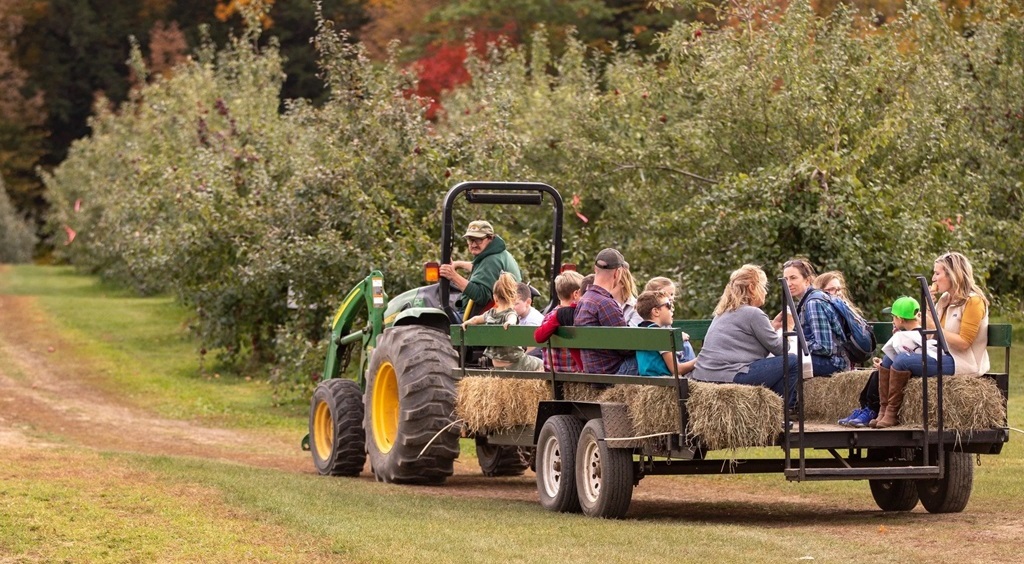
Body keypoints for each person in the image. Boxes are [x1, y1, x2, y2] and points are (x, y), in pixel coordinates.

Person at [691, 265, 800, 408]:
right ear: (751, 287)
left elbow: (745, 338)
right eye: (763, 286)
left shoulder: (722, 312)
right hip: (730, 375)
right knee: (793, 361)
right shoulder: (753, 313)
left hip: (703, 376)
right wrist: (788, 328)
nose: (765, 292)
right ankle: (776, 411)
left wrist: (773, 326)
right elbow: (781, 350)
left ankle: (765, 409)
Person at [839, 296, 930, 427]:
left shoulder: (908, 337)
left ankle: (872, 410)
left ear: (900, 319)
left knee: (877, 374)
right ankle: (873, 409)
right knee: (878, 371)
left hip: (907, 371)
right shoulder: (923, 333)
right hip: (909, 368)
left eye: (893, 317)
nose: (892, 320)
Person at [772, 259, 849, 377]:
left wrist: (794, 345)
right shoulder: (805, 302)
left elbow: (824, 347)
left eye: (793, 278)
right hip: (824, 359)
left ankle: (792, 396)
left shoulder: (813, 302)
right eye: (786, 279)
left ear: (807, 280)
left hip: (833, 363)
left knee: (784, 364)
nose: (788, 283)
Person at [574, 248, 638, 375]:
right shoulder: (606, 303)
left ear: (595, 269)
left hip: (592, 371)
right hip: (612, 373)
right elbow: (626, 348)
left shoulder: (584, 300)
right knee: (652, 356)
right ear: (617, 273)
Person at [461, 273, 543, 372]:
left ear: (495, 297)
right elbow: (511, 318)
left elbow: (476, 319)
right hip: (514, 363)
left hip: (496, 363)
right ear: (513, 296)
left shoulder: (490, 313)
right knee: (541, 364)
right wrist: (510, 323)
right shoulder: (510, 314)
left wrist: (466, 322)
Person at [439, 220, 521, 316]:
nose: (473, 244)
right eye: (470, 240)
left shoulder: (491, 260)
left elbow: (481, 296)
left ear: (490, 238)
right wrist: (458, 264)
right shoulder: (499, 254)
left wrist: (453, 276)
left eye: (478, 240)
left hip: (482, 317)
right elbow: (482, 269)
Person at [635, 290, 697, 377]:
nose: (672, 309)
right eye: (668, 305)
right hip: (663, 383)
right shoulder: (661, 334)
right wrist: (700, 360)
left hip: (647, 382)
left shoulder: (639, 331)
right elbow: (677, 370)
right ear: (656, 311)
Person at [533, 270, 585, 372]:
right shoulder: (579, 316)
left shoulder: (549, 316)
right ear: (576, 294)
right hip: (574, 373)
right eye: (583, 293)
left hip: (553, 373)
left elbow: (539, 337)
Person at [644, 276, 696, 363]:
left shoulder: (664, 318)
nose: (671, 298)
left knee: (685, 345)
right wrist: (677, 338)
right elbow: (659, 339)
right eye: (666, 294)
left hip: (667, 355)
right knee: (685, 345)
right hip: (660, 360)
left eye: (672, 295)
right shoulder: (649, 317)